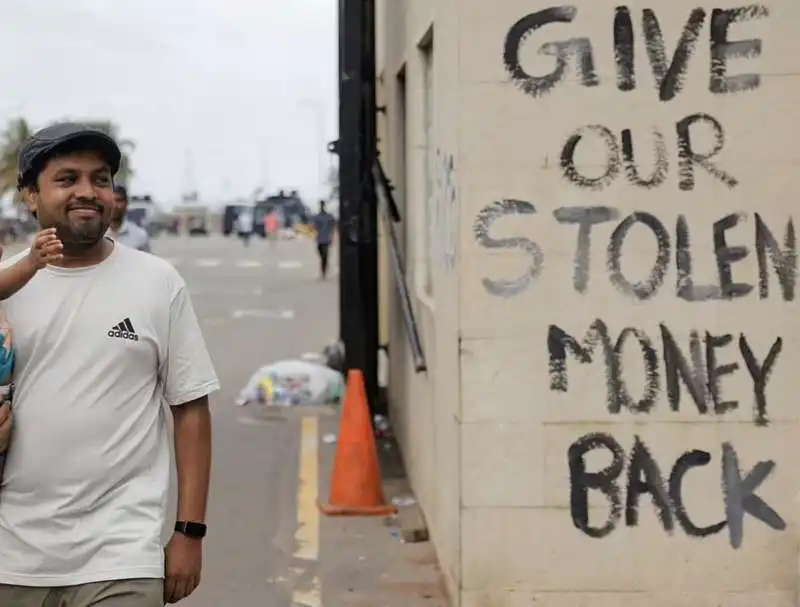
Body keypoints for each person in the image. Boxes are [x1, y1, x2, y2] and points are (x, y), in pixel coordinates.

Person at [0, 122, 219, 607]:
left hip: (121, 556)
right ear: (30, 196)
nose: (88, 192)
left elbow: (191, 409)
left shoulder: (156, 282)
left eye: (100, 179)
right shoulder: (5, 289)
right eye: (67, 179)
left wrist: (190, 531)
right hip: (11, 558)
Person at [107, 184, 151, 252]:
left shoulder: (139, 236)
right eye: (111, 201)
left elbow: (148, 261)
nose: (115, 205)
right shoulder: (97, 236)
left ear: (126, 203)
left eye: (118, 200)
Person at [310, 199, 336, 280]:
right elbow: (313, 227)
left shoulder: (327, 217)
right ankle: (325, 267)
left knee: (324, 256)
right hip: (321, 238)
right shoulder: (318, 217)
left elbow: (333, 227)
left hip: (325, 239)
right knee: (322, 255)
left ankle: (323, 272)